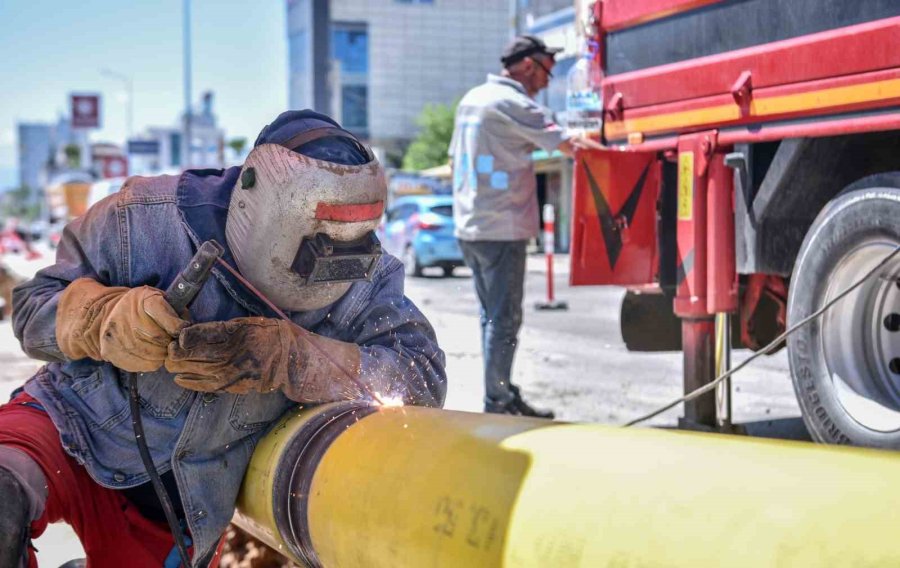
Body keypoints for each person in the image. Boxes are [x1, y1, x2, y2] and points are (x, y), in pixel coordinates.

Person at [0, 110, 447, 567]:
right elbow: (32, 309)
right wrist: (100, 317)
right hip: (69, 423)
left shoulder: (370, 279)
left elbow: (422, 380)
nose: (331, 264)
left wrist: (295, 360)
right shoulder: (141, 220)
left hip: (180, 503)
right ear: (252, 196)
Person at [450, 35, 603, 419]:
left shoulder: (473, 99)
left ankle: (500, 391)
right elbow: (572, 145)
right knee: (504, 321)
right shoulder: (513, 103)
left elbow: (454, 160)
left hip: (471, 225)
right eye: (548, 71)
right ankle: (497, 401)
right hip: (501, 229)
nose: (549, 81)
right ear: (529, 65)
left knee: (490, 317)